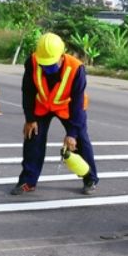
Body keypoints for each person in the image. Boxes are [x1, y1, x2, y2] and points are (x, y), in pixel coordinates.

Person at [12, 32, 99, 196]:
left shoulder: (76, 69)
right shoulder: (32, 62)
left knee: (80, 139)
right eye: (44, 64)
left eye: (51, 64)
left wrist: (72, 133)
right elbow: (28, 92)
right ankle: (27, 181)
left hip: (68, 107)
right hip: (43, 105)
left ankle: (90, 178)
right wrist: (30, 119)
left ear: (62, 56)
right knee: (33, 136)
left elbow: (77, 103)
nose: (48, 68)